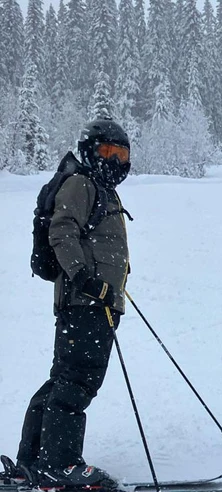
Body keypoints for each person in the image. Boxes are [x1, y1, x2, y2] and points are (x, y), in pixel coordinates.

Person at [11, 119, 132, 489]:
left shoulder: (101, 187)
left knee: (63, 380)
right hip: (86, 303)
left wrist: (111, 283)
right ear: (89, 150)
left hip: (97, 302)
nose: (113, 160)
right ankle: (59, 464)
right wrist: (85, 279)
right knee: (77, 381)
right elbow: (62, 229)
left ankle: (32, 460)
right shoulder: (81, 183)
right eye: (106, 152)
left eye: (121, 153)